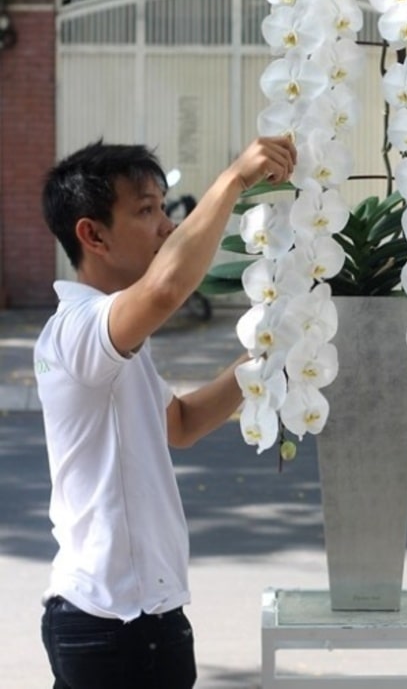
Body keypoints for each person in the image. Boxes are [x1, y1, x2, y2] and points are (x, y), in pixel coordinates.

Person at [34, 136, 296, 689]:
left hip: (155, 617)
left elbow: (180, 425)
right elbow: (167, 288)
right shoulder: (77, 331)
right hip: (103, 624)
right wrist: (235, 180)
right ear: (92, 234)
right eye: (146, 211)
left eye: (162, 207)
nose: (166, 226)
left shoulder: (119, 338)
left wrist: (266, 358)